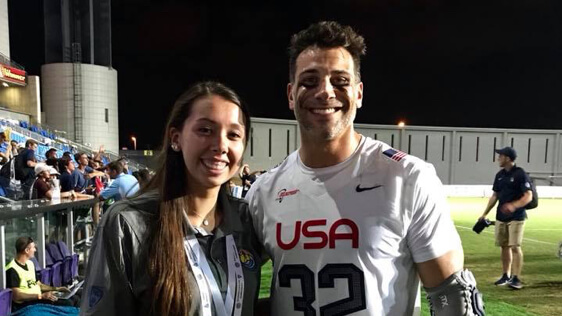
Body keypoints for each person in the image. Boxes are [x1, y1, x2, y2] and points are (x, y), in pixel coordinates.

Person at [245, 21, 484, 316]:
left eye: (340, 81)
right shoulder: (264, 192)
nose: (325, 92)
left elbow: (451, 296)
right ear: (291, 94)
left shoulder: (407, 178)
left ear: (358, 93)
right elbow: (233, 279)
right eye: (309, 81)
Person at [81, 81, 264, 316]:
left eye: (233, 134)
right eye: (205, 130)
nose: (221, 145)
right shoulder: (127, 223)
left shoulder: (246, 219)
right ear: (176, 138)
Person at [479, 147, 532, 290]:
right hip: (501, 217)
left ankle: (516, 278)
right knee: (504, 246)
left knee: (515, 246)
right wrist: (484, 213)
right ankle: (506, 275)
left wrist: (514, 206)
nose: (498, 158)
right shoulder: (499, 175)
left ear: (508, 158)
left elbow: (528, 195)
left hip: (516, 216)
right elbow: (495, 196)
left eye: (500, 156)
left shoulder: (520, 174)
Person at [5, 237, 75, 311]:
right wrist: (40, 296)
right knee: (68, 303)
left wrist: (57, 289)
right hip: (26, 305)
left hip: (38, 299)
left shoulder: (30, 264)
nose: (35, 250)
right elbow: (16, 296)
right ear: (27, 250)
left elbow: (39, 285)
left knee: (74, 298)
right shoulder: (12, 269)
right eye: (33, 248)